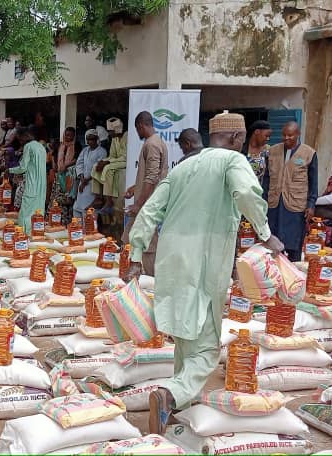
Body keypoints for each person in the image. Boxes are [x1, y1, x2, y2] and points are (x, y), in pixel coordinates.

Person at [125, 111, 284, 435]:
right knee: (208, 346)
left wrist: (137, 253)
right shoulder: (232, 162)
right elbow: (246, 194)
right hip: (205, 260)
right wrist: (266, 234)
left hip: (172, 259)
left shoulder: (183, 167)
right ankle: (171, 394)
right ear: (238, 137)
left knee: (187, 334)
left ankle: (179, 404)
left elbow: (150, 209)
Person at [263, 121, 317, 261]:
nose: (286, 138)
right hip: (274, 204)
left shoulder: (309, 154)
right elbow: (267, 179)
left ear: (298, 134)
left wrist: (311, 205)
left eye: (290, 135)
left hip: (295, 205)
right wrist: (262, 201)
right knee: (272, 241)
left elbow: (313, 182)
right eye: (284, 135)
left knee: (293, 241)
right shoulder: (273, 151)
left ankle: (293, 270)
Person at [122, 111, 169, 273]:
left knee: (147, 241)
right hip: (149, 201)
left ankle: (150, 277)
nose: (138, 133)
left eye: (137, 129)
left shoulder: (152, 144)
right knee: (130, 238)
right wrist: (135, 189)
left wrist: (138, 204)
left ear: (141, 126)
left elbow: (152, 177)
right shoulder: (155, 142)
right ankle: (135, 272)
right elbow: (150, 175)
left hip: (149, 204)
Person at [8, 126, 48, 233]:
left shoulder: (28, 146)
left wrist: (9, 170)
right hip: (42, 186)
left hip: (32, 184)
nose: (20, 142)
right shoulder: (41, 147)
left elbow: (23, 167)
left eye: (20, 139)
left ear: (25, 136)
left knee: (25, 213)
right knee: (38, 212)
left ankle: (23, 237)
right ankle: (36, 235)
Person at [92, 117, 127, 226]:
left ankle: (109, 200)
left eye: (111, 131)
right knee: (95, 166)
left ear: (117, 129)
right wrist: (103, 161)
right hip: (117, 161)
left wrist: (107, 163)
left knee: (107, 168)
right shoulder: (114, 139)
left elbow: (125, 156)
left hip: (126, 161)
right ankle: (98, 197)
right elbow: (112, 155)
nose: (109, 133)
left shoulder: (127, 136)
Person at [74, 129, 108, 220]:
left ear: (96, 139)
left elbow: (98, 169)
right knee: (78, 211)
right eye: (88, 139)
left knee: (90, 211)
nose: (90, 141)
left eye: (92, 139)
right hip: (83, 182)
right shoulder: (85, 150)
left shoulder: (102, 151)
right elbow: (79, 163)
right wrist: (82, 177)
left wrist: (87, 180)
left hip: (94, 183)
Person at [51, 127, 78, 213]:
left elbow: (77, 159)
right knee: (57, 198)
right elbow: (54, 155)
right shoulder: (60, 145)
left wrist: (66, 166)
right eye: (67, 135)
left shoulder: (77, 146)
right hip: (59, 175)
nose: (68, 137)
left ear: (74, 136)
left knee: (67, 198)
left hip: (69, 176)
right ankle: (55, 218)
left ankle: (66, 219)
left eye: (71, 136)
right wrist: (55, 166)